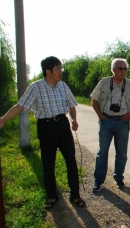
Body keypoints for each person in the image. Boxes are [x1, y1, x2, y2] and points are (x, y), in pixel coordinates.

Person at [0, 56, 85, 209]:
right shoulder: (35, 87)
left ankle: (75, 195)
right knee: (48, 163)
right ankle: (52, 196)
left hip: (63, 126)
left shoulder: (63, 86)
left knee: (71, 161)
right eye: (57, 69)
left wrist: (74, 119)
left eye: (61, 68)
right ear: (48, 71)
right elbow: (20, 106)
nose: (61, 71)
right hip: (46, 127)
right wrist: (3, 119)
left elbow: (71, 105)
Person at [90, 58, 130, 191]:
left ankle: (119, 178)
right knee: (102, 152)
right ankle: (98, 180)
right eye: (120, 68)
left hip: (123, 122)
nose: (123, 71)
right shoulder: (104, 82)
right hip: (106, 120)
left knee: (122, 153)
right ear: (113, 70)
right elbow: (94, 100)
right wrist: (100, 116)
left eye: (125, 69)